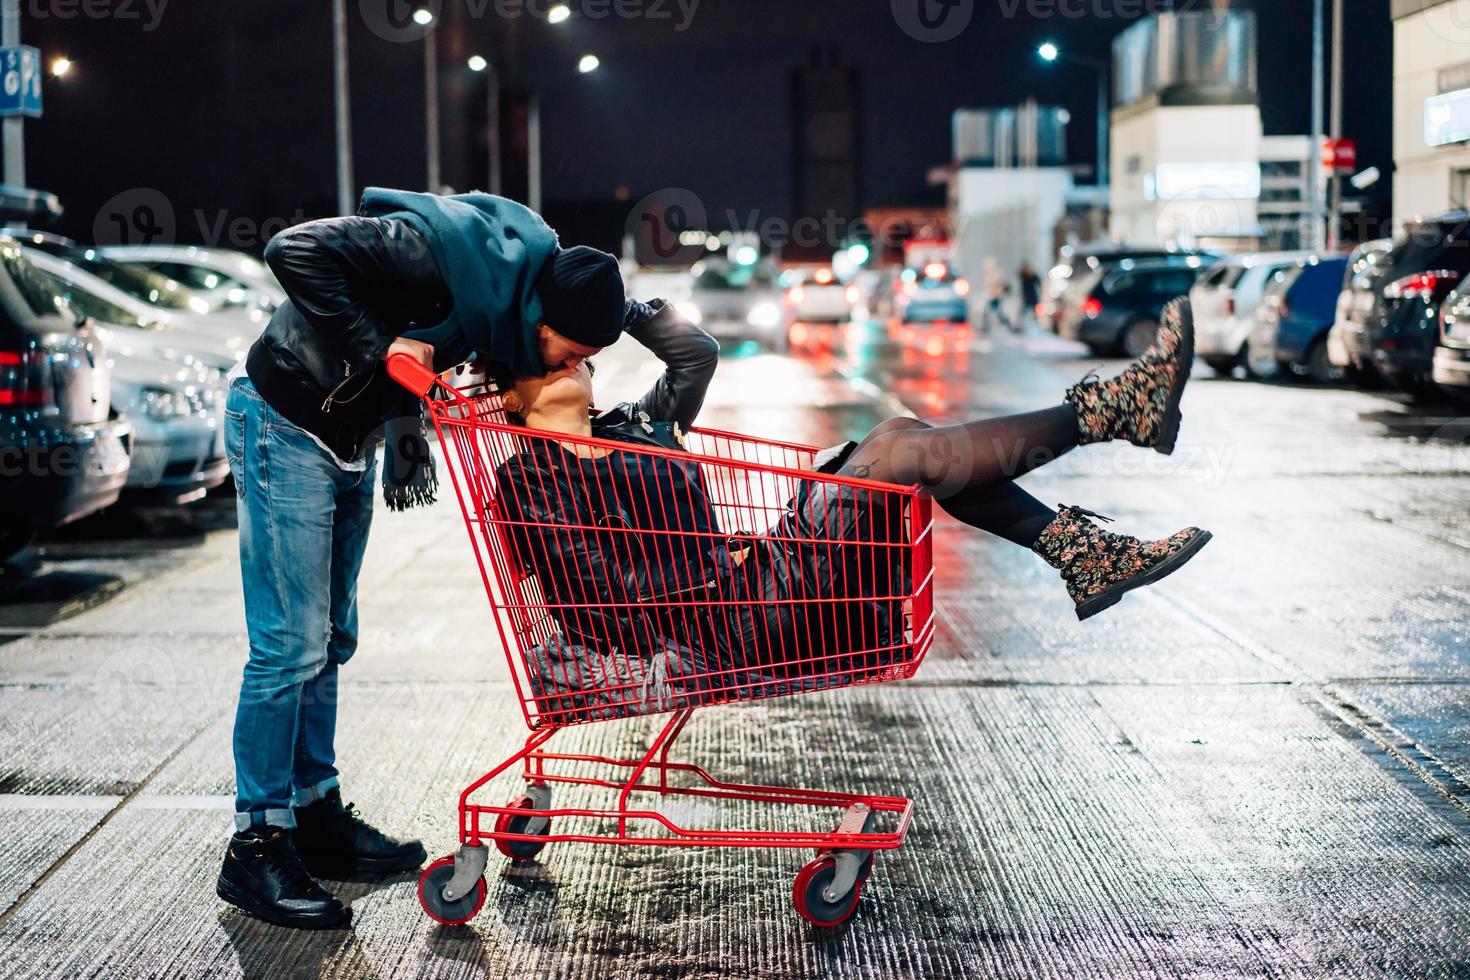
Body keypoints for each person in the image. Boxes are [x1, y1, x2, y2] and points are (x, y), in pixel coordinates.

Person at [218, 187, 628, 930]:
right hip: (284, 418)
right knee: (288, 646)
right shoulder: (438, 255)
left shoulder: (510, 303)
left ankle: (314, 816)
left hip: (349, 436)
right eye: (573, 349)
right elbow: (294, 250)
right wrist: (384, 353)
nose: (573, 363)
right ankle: (256, 845)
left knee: (330, 641)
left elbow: (470, 358)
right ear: (546, 316)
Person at [487, 298, 1212, 712]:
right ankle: (1109, 425)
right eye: (542, 361)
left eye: (573, 353)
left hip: (749, 585)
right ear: (508, 397)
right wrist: (712, 568)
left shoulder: (638, 425)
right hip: (716, 623)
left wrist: (605, 301)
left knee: (902, 439)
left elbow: (695, 354)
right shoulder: (530, 482)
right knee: (899, 452)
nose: (567, 362)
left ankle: (1084, 534)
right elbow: (598, 598)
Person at [1018, 261, 1042, 328]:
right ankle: (1021, 323)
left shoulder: (1033, 275)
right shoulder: (1024, 275)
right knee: (1024, 310)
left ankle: (1037, 323)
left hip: (1032, 295)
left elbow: (1039, 282)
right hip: (1026, 295)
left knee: (1035, 310)